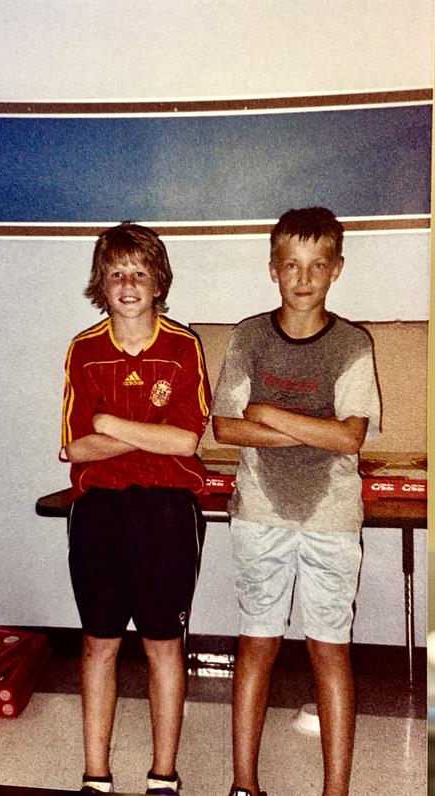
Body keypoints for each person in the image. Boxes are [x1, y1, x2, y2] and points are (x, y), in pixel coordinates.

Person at [211, 207, 381, 796]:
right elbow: (225, 429)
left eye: (317, 265)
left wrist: (268, 413)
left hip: (331, 516)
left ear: (336, 270)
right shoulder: (250, 336)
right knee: (256, 642)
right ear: (273, 271)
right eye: (291, 265)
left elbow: (350, 437)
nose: (303, 278)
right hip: (260, 510)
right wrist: (313, 426)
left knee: (329, 650)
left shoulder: (353, 344)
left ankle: (336, 791)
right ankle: (243, 784)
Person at [60, 222, 211, 795]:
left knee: (162, 644)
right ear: (102, 281)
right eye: (117, 272)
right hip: (99, 511)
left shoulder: (181, 345)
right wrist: (152, 432)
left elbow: (188, 442)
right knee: (98, 641)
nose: (128, 283)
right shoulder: (84, 349)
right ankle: (95, 774)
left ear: (158, 282)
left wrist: (114, 425)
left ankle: (163, 774)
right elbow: (77, 447)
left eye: (140, 273)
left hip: (166, 514)